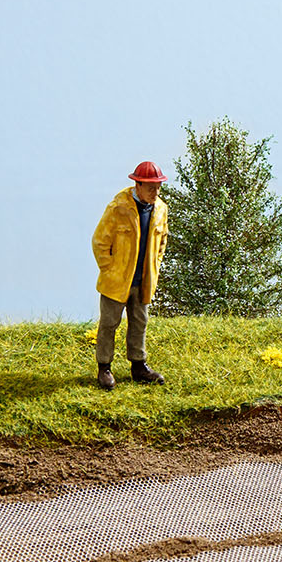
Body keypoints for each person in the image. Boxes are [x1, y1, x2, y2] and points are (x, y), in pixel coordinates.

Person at [91, 161, 170, 390]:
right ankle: (104, 367)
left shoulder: (161, 209)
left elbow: (162, 241)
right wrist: (110, 270)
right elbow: (100, 242)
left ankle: (138, 365)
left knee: (139, 322)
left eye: (158, 187)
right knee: (109, 324)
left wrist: (155, 265)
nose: (156, 192)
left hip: (143, 280)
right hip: (116, 282)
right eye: (151, 187)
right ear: (138, 185)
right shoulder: (118, 208)